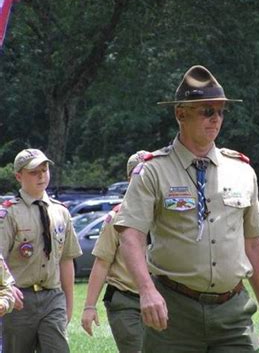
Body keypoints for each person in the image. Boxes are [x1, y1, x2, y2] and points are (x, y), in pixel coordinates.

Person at [114, 65, 259, 352]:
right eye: (207, 111)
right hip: (173, 311)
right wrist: (146, 291)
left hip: (233, 313)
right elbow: (131, 236)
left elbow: (253, 243)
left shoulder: (241, 171)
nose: (216, 119)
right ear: (181, 114)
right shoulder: (153, 171)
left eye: (220, 112)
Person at [0, 148, 82, 353]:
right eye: (34, 172)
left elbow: (66, 259)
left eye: (44, 170)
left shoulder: (60, 211)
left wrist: (68, 304)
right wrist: (5, 291)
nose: (41, 176)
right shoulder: (9, 213)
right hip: (20, 299)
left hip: (52, 297)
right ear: (19, 176)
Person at [81, 150, 150, 352]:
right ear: (130, 179)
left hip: (161, 298)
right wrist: (89, 306)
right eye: (140, 175)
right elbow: (102, 261)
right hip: (127, 300)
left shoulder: (165, 214)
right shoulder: (117, 218)